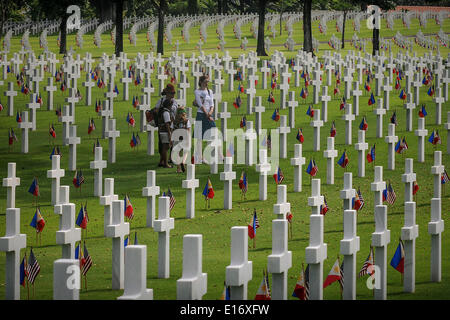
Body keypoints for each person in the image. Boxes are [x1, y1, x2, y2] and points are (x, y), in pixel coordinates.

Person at [193, 75, 216, 162]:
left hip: (209, 115)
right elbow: (200, 104)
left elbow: (212, 103)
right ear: (201, 82)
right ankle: (200, 157)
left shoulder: (210, 91)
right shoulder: (197, 92)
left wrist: (210, 112)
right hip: (201, 115)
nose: (207, 83)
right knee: (199, 137)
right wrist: (207, 115)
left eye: (208, 81)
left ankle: (209, 154)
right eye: (206, 81)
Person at [173, 106, 191, 173]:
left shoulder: (174, 121)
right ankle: (183, 161)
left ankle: (178, 169)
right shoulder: (186, 121)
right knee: (186, 151)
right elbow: (188, 131)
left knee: (177, 153)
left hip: (176, 138)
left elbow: (172, 130)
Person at [157, 98, 174, 168]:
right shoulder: (166, 113)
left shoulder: (163, 111)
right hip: (165, 131)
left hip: (162, 131)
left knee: (164, 147)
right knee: (165, 147)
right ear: (169, 105)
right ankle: (166, 164)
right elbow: (167, 124)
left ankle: (161, 162)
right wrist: (170, 134)